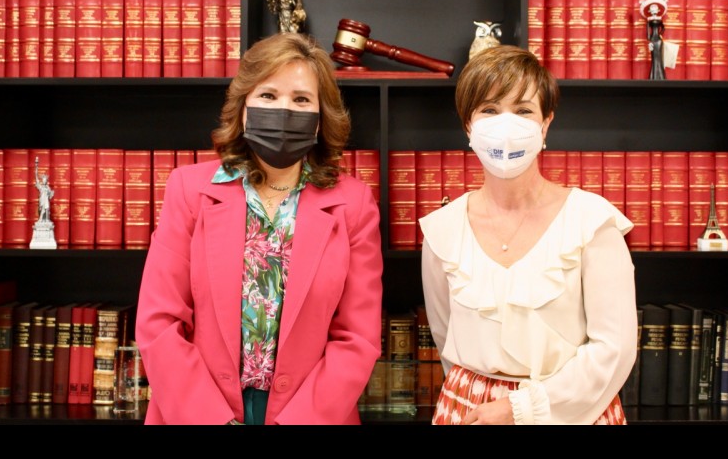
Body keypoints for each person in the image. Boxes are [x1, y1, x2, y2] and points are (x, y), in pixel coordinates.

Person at [135, 32, 383, 425]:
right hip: (197, 411)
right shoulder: (189, 191)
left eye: (301, 99)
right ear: (244, 108)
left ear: (321, 118)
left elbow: (358, 338)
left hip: (311, 415)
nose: (284, 109)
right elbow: (158, 323)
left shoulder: (353, 204)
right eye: (268, 95)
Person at [420, 45, 637, 425]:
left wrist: (521, 409)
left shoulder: (591, 221)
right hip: (468, 410)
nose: (506, 125)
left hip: (571, 412)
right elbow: (444, 334)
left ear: (545, 124)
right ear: (468, 125)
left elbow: (614, 349)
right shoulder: (442, 229)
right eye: (489, 110)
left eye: (523, 111)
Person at [34, 157, 54, 223]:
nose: (44, 181)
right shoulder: (41, 187)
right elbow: (36, 177)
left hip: (46, 200)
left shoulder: (48, 187)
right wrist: (36, 166)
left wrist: (51, 193)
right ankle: (40, 219)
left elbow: (50, 195)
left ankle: (47, 220)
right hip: (42, 200)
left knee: (47, 209)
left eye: (45, 180)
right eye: (43, 180)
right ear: (42, 181)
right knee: (42, 210)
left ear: (46, 181)